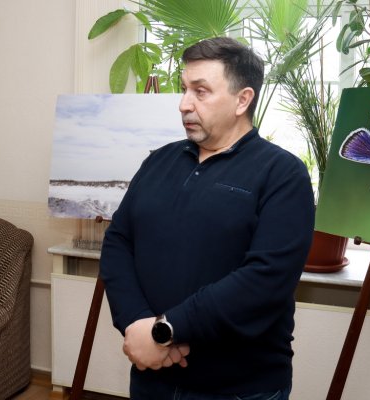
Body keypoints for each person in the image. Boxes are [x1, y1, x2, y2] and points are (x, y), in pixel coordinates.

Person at [100, 36, 315, 400]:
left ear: (242, 100)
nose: (184, 104)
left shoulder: (283, 173)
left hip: (238, 388)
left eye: (200, 91)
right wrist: (135, 323)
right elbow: (119, 241)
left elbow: (264, 279)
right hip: (152, 378)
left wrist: (166, 330)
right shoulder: (159, 160)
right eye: (184, 89)